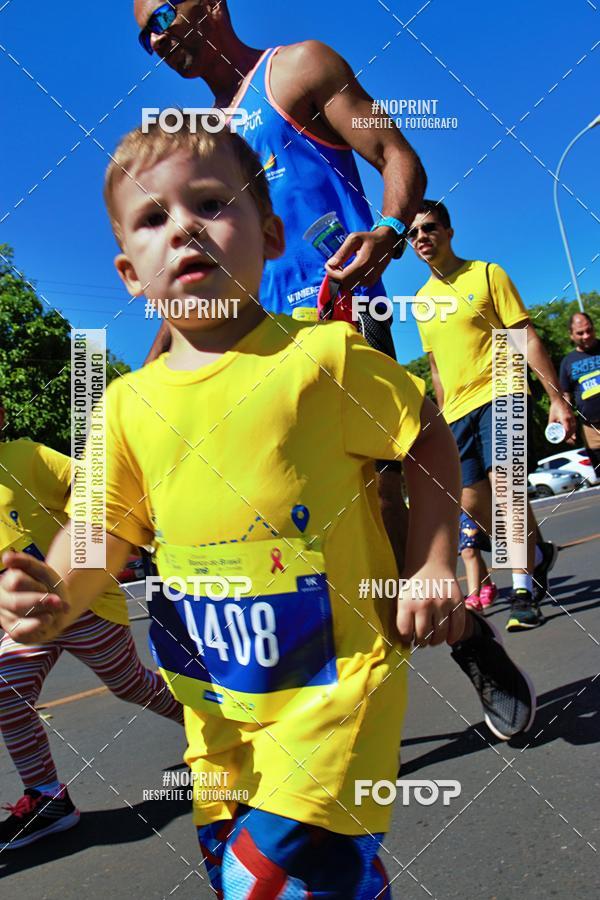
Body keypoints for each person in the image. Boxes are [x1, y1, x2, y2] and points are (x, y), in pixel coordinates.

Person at [0, 124, 534, 896]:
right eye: (152, 219)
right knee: (310, 882)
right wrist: (52, 597)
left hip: (335, 694)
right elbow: (101, 532)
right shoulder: (125, 406)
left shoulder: (322, 358)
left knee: (260, 882)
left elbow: (425, 439)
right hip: (217, 717)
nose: (182, 226)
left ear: (271, 233)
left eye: (211, 204)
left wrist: (428, 563)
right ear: (128, 273)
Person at [133, 0, 427, 569]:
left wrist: (388, 232)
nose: (159, 40)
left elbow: (396, 155)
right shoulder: (200, 143)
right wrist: (154, 365)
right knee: (290, 508)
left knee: (379, 492)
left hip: (341, 313)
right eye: (147, 38)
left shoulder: (300, 68)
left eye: (163, 16)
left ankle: (453, 638)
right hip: (257, 345)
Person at [0, 420, 184, 851]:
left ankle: (215, 732)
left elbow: (95, 490)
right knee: (6, 690)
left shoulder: (24, 457)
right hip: (28, 623)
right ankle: (49, 800)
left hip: (84, 602)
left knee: (131, 685)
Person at [409, 200, 575, 631]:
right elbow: (437, 370)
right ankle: (537, 555)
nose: (421, 238)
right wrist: (439, 424)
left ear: (448, 231)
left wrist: (556, 398)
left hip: (503, 390)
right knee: (474, 504)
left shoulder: (487, 273)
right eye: (412, 234)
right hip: (457, 411)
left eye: (428, 228)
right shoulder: (422, 302)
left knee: (507, 489)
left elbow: (527, 339)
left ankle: (522, 591)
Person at [559, 312, 600, 478]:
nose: (586, 335)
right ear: (571, 335)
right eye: (580, 333)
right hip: (591, 430)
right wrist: (566, 423)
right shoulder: (567, 362)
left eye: (589, 330)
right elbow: (565, 396)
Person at [459, 512, 498, 612]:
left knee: (469, 550)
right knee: (469, 551)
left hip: (467, 507)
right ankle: (488, 586)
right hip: (445, 512)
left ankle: (473, 598)